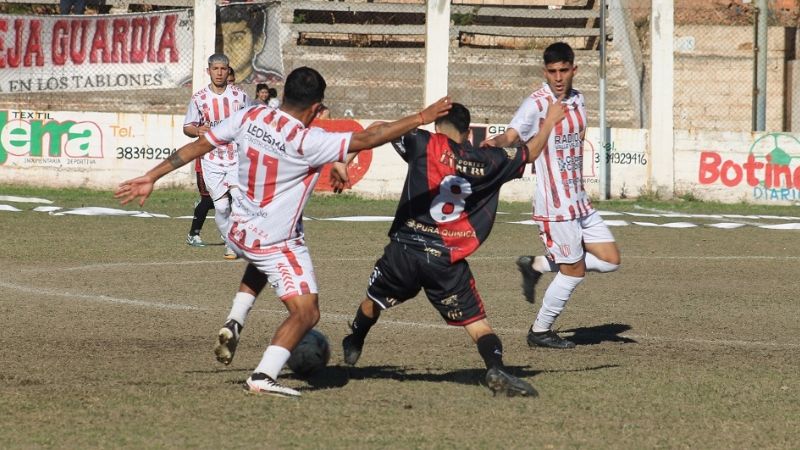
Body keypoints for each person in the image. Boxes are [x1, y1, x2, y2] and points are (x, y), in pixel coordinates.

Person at [115, 66, 452, 398]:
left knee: (261, 259)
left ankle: (236, 318)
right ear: (317, 108)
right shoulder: (308, 140)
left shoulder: (251, 115)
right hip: (275, 242)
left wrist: (152, 176)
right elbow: (369, 136)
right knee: (307, 312)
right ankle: (263, 376)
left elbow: (201, 144)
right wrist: (421, 117)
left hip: (237, 230)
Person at [334, 102, 568, 397]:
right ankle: (495, 367)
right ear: (468, 132)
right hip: (445, 260)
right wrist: (549, 122)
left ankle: (355, 339)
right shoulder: (488, 159)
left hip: (405, 250)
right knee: (477, 324)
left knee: (374, 299)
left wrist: (346, 159)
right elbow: (531, 152)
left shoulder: (423, 142)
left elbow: (377, 128)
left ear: (436, 127)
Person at [481, 42, 621, 349]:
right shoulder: (537, 103)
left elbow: (579, 137)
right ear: (545, 71)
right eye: (552, 71)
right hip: (555, 205)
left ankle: (538, 265)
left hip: (580, 201)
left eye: (564, 70)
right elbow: (514, 135)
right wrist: (497, 141)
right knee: (574, 272)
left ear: (574, 69)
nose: (558, 77)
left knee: (610, 260)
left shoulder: (579, 100)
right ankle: (540, 331)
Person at [183, 53, 251, 259]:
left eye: (223, 69)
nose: (219, 73)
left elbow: (251, 122)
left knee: (239, 199)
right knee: (221, 207)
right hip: (211, 159)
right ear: (209, 71)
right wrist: (197, 131)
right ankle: (230, 241)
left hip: (236, 157)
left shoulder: (240, 96)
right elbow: (187, 127)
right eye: (215, 69)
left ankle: (238, 243)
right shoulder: (199, 98)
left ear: (228, 70)